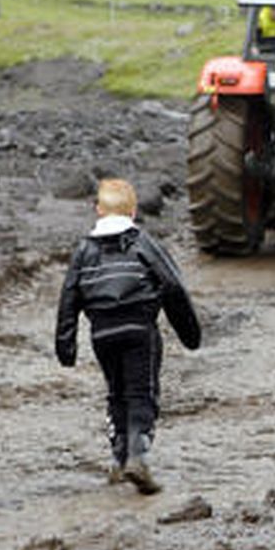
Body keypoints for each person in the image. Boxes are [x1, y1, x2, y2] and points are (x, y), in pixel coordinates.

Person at [55, 178, 201, 495]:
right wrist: (190, 334)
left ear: (98, 210)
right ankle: (138, 457)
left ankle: (119, 460)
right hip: (139, 329)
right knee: (142, 392)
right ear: (133, 212)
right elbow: (172, 286)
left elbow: (69, 296)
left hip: (102, 333)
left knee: (116, 392)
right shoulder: (143, 243)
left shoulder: (84, 250)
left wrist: (66, 345)